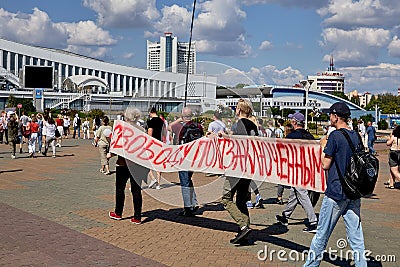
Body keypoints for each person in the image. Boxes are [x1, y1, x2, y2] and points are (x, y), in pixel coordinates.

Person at [304, 102, 367, 266]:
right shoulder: (355, 135)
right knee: (356, 236)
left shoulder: (334, 136)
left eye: (330, 115)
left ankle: (310, 265)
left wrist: (323, 147)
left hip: (336, 192)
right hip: (353, 191)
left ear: (336, 116)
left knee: (322, 234)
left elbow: (325, 164)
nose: (329, 118)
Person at [221, 99, 258, 244]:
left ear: (239, 110)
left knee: (226, 198)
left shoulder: (239, 124)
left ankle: (243, 226)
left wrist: (223, 137)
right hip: (249, 166)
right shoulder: (253, 125)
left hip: (237, 166)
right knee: (241, 200)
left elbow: (235, 143)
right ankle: (245, 231)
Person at [276, 112, 318, 233]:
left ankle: (313, 222)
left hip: (296, 169)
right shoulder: (309, 136)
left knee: (302, 194)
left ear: (294, 122)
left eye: (291, 121)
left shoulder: (291, 136)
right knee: (294, 193)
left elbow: (282, 152)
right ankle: (285, 216)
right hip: (308, 168)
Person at [108, 107, 150, 224]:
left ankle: (118, 212)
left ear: (127, 117)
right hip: (137, 164)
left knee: (120, 189)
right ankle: (137, 216)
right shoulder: (141, 130)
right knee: (136, 190)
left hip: (122, 163)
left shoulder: (122, 129)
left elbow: (116, 145)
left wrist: (110, 153)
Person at [168, 107, 203, 217]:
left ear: (183, 116)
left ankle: (188, 208)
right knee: (188, 180)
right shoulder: (198, 126)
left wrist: (179, 119)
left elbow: (169, 127)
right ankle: (194, 203)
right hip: (194, 158)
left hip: (183, 158)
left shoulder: (179, 126)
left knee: (184, 182)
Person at [146, 107, 165, 190]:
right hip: (160, 143)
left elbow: (150, 133)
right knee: (159, 163)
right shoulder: (161, 121)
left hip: (152, 144)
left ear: (151, 112)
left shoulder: (151, 121)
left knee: (147, 162)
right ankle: (158, 184)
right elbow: (164, 133)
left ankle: (153, 179)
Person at [205, 110, 226, 177]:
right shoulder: (223, 124)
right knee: (220, 156)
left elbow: (209, 133)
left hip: (213, 141)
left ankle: (212, 170)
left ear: (214, 116)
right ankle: (221, 170)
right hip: (221, 141)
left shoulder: (212, 124)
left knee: (212, 156)